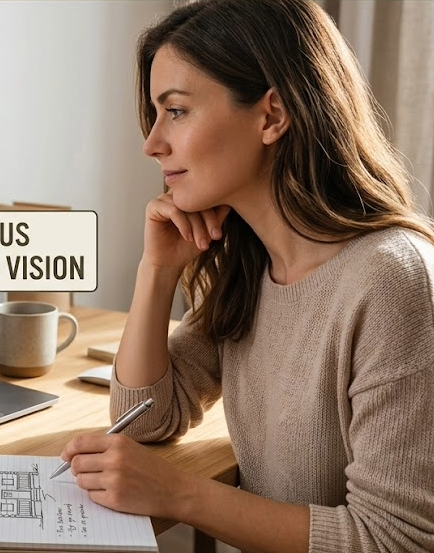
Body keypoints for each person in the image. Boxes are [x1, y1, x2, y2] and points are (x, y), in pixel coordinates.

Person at [59, 0, 434, 551]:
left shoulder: (391, 279)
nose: (152, 142)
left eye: (178, 110)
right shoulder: (254, 265)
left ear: (272, 115)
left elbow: (393, 540)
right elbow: (143, 421)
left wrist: (181, 496)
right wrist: (157, 271)